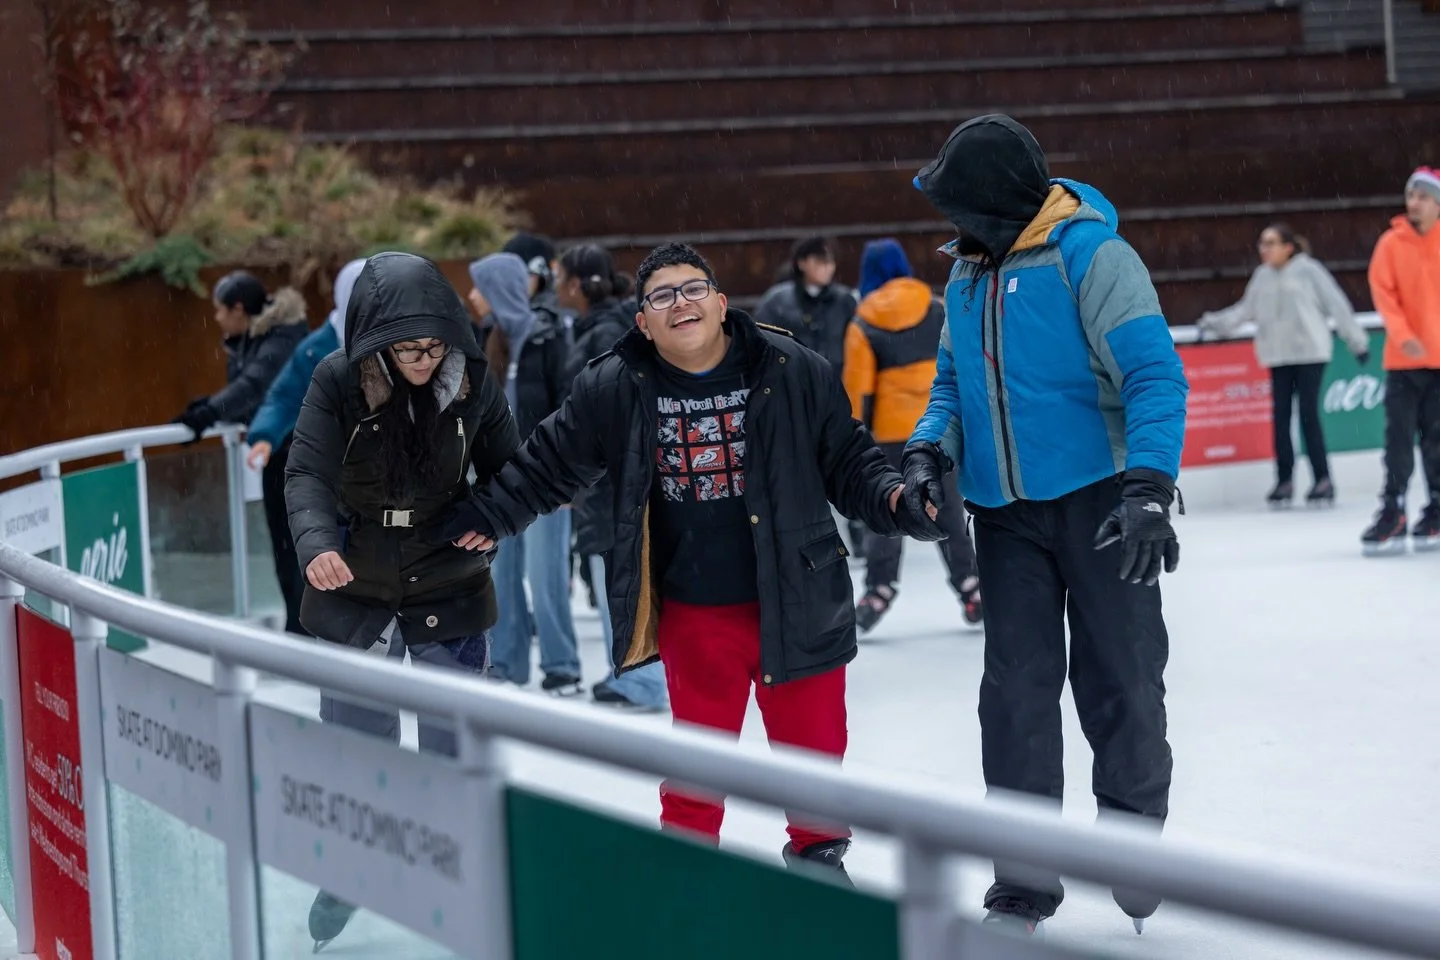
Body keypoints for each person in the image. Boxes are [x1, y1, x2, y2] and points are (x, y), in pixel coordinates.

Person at [424, 242, 943, 880]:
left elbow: (850, 460)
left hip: (799, 596)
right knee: (698, 768)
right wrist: (487, 515)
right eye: (661, 296)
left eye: (693, 289)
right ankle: (688, 884)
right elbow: (547, 465)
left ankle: (820, 866)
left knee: (813, 760)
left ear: (722, 303)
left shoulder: (791, 367)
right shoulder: (615, 385)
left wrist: (897, 501)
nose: (681, 303)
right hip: (697, 609)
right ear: (642, 320)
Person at [907, 114, 1188, 935]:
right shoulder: (963, 276)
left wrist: (1148, 489)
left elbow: (1153, 375)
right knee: (1015, 697)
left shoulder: (1091, 257)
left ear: (995, 201)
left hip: (1102, 505)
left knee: (1123, 682)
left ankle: (1134, 845)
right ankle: (1023, 881)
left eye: (959, 205)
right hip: (1002, 517)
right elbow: (951, 385)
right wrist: (929, 448)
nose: (949, 223)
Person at [284, 252, 518, 952]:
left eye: (434, 345)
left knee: (453, 743)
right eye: (408, 348)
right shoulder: (336, 380)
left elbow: (512, 470)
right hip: (355, 583)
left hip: (449, 577)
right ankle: (351, 871)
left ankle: (462, 879)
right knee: (358, 747)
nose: (423, 360)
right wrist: (316, 545)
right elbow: (306, 474)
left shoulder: (473, 381)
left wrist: (495, 519)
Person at [843, 238, 982, 630]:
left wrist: (857, 436)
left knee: (889, 509)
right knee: (949, 507)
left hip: (889, 435)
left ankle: (879, 589)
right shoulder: (936, 306)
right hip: (938, 427)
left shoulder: (862, 321)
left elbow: (858, 390)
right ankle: (971, 585)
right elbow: (959, 363)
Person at [554, 243, 667, 710]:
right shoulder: (608, 327)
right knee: (622, 576)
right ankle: (633, 672)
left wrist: (573, 475)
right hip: (618, 479)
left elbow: (598, 418)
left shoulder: (602, 335)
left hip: (615, 482)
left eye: (561, 276)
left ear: (578, 284)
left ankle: (640, 677)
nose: (557, 285)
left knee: (621, 578)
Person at [467, 252, 582, 693]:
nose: (473, 295)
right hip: (500, 481)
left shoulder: (548, 337)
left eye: (481, 285)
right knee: (501, 573)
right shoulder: (490, 339)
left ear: (500, 287)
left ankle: (562, 665)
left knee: (546, 574)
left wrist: (566, 475)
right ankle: (508, 663)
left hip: (545, 479)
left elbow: (569, 408)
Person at [1197, 224, 1369, 508]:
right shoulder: (1262, 276)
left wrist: (1357, 342)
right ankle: (1284, 480)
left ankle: (1322, 479)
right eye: (1262, 243)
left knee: (1308, 416)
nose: (1264, 249)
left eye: (1271, 243)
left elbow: (1337, 305)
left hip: (1310, 353)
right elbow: (1244, 310)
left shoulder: (1309, 271)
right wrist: (1212, 323)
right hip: (1278, 356)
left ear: (1288, 247)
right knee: (1280, 418)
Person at [245, 258, 368, 634]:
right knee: (307, 550)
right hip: (318, 468)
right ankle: (306, 629)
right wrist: (265, 435)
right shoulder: (316, 348)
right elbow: (282, 396)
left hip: (366, 473)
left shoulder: (392, 342)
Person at [1361, 167, 1440, 555]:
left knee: (1437, 441)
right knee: (1398, 441)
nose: (1415, 203)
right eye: (1412, 196)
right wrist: (1405, 336)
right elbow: (1384, 295)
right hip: (1404, 364)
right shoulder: (1391, 244)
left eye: (1423, 197)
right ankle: (1393, 508)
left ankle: (1438, 508)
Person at [753, 235, 857, 377]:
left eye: (830, 262)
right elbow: (761, 341)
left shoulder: (845, 301)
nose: (826, 267)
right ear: (801, 263)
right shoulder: (777, 301)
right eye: (819, 261)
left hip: (836, 382)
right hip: (793, 382)